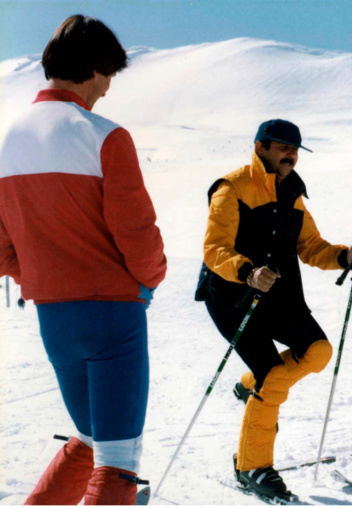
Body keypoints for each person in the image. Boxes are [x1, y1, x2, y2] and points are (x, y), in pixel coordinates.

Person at [0, 15, 167, 505]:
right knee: (116, 460)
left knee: (91, 436)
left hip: (53, 315)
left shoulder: (7, 141)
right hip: (112, 312)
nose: (108, 88)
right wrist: (148, 281)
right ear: (95, 68)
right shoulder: (104, 135)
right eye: (109, 74)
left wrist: (38, 278)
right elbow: (136, 232)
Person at [196, 119, 352, 500]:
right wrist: (247, 271)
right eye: (282, 146)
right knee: (273, 374)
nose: (290, 154)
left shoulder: (293, 192)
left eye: (295, 148)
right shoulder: (232, 187)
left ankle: (250, 387)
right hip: (232, 295)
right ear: (261, 147)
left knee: (318, 351)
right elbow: (214, 249)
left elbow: (310, 246)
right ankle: (252, 466)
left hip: (278, 293)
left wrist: (345, 256)